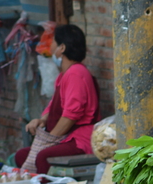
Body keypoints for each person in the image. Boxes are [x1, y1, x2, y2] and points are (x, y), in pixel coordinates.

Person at [14, 24, 100, 174]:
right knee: (22, 155)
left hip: (80, 139)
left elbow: (71, 115)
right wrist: (41, 120)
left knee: (43, 157)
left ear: (62, 48)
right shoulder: (64, 75)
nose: (50, 46)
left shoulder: (76, 73)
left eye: (53, 42)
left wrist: (49, 140)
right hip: (66, 137)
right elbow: (54, 105)